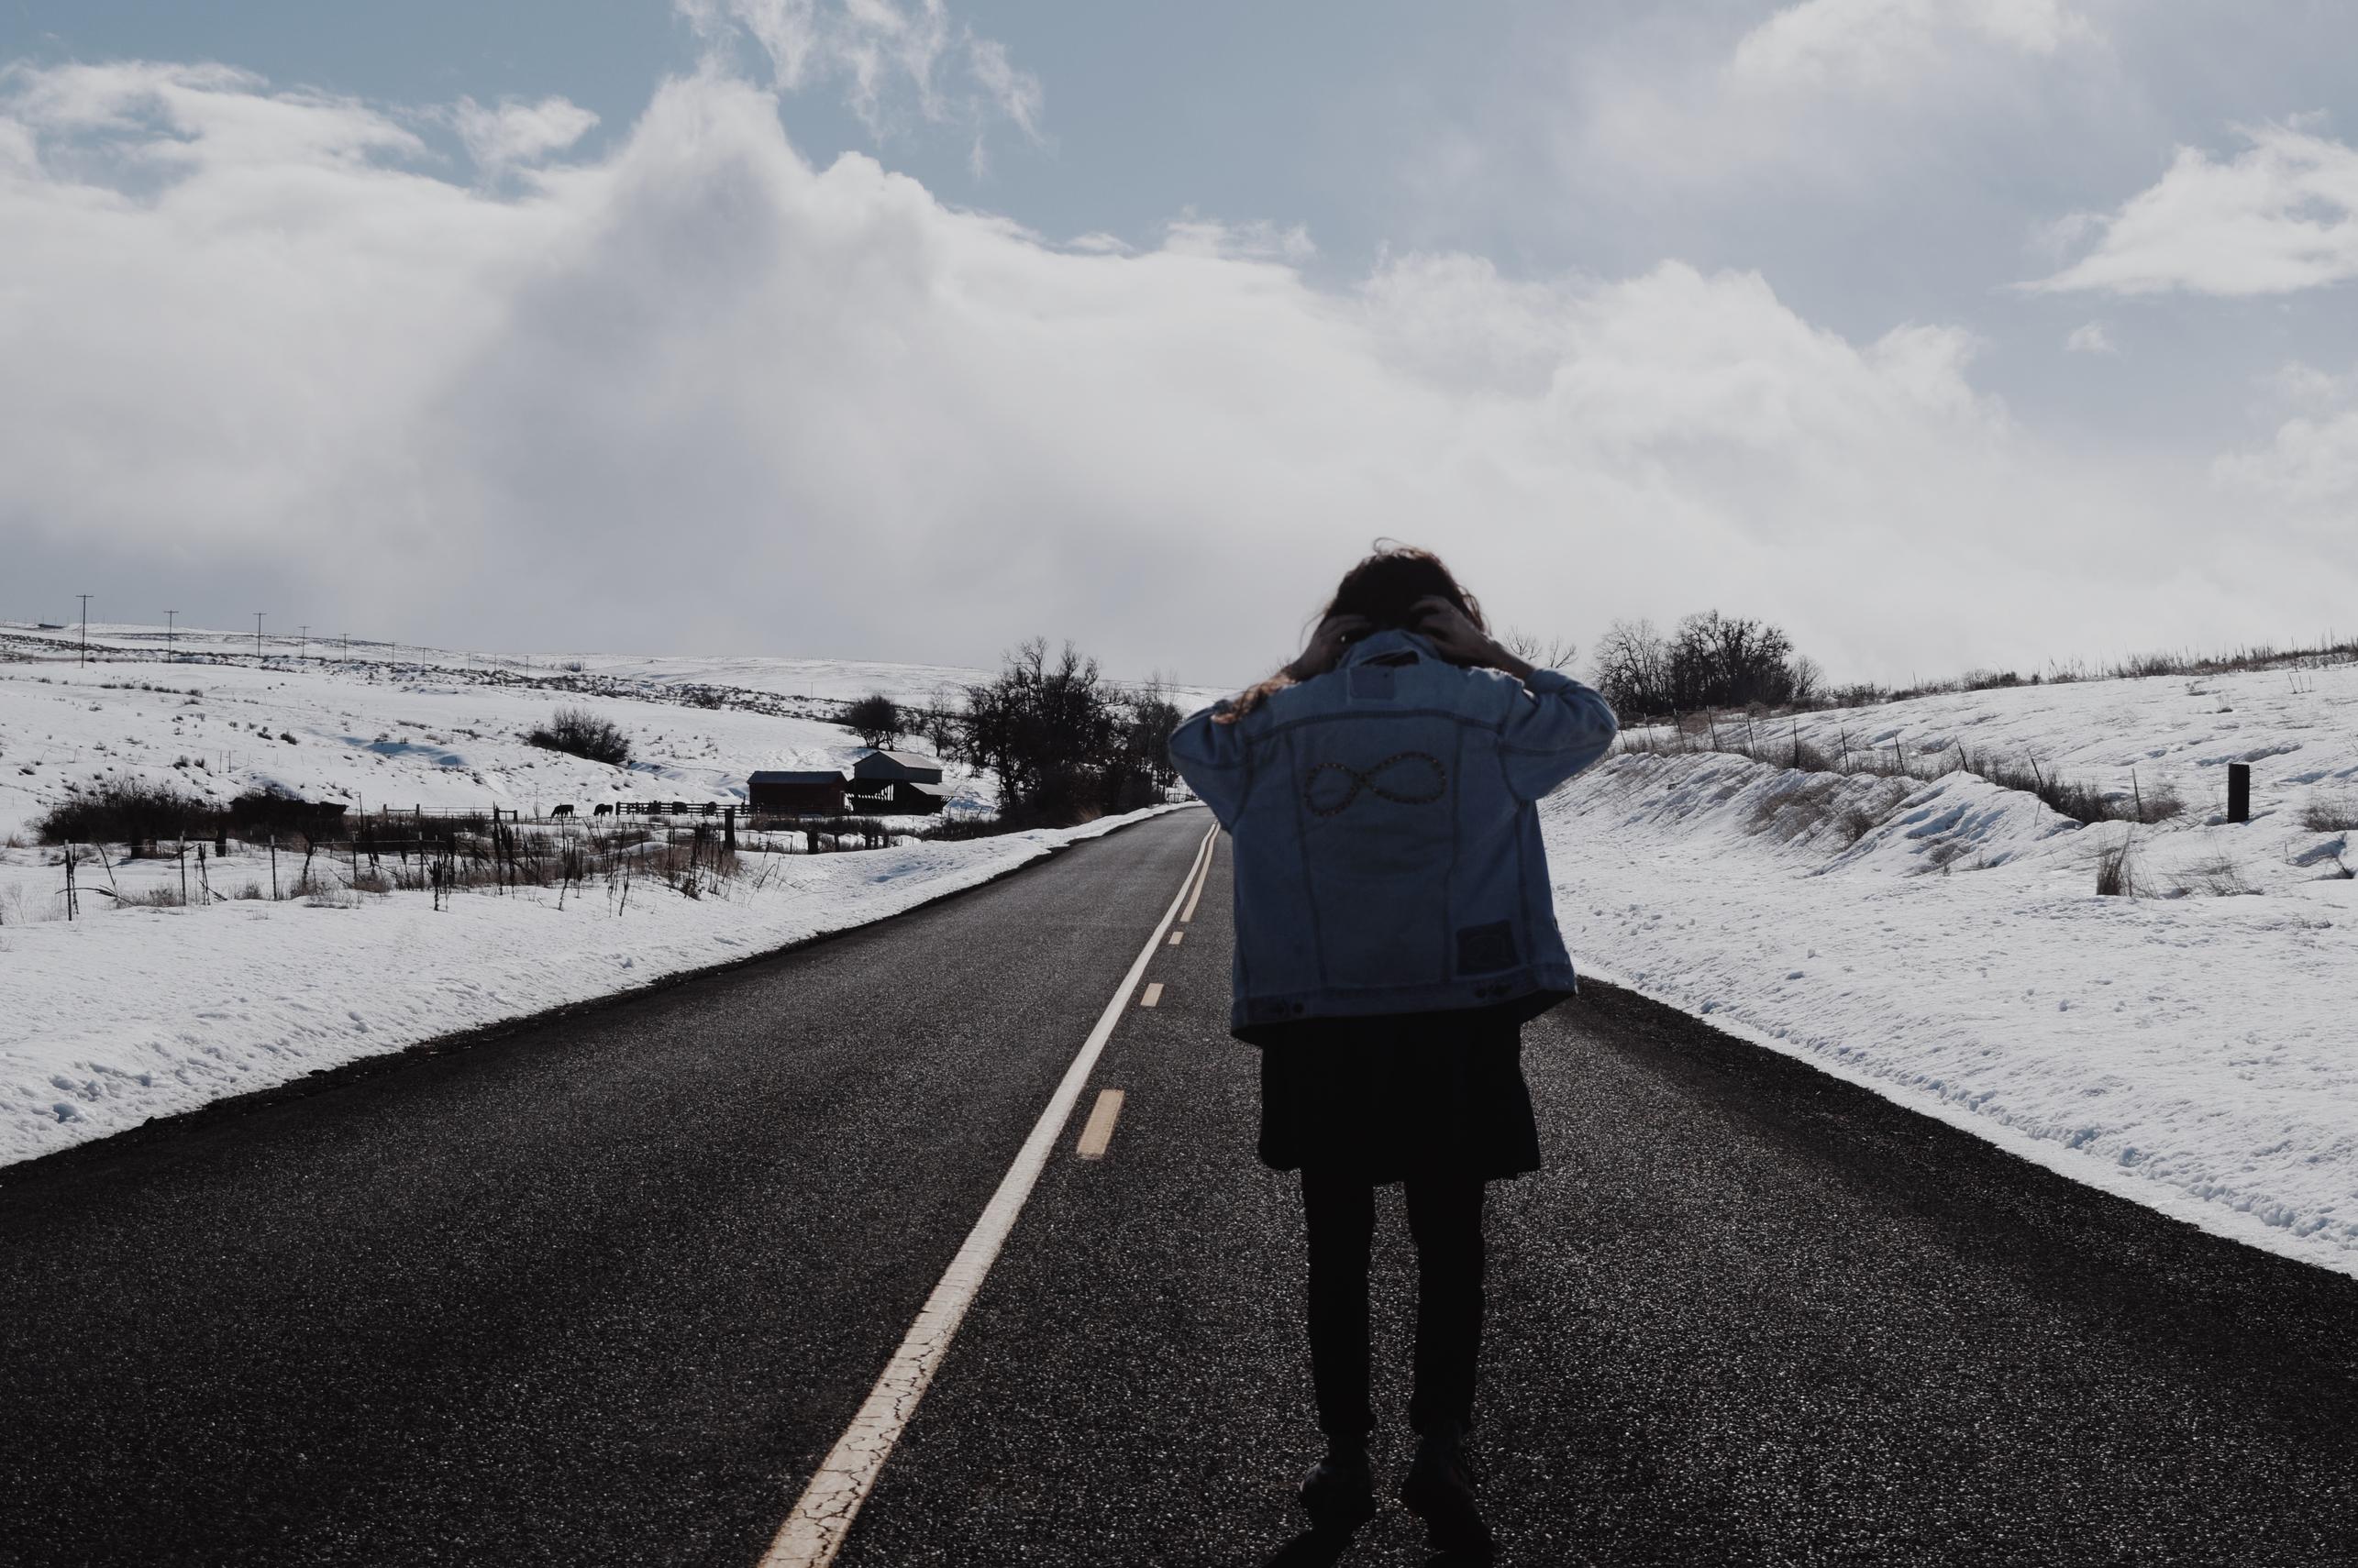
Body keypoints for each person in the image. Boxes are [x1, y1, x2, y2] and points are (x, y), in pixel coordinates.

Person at [1167, 544, 1617, 1558]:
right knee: (1450, 1241)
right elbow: (1592, 723)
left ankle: (1343, 1457)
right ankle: (1443, 1446)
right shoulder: (1488, 709)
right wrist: (1497, 654)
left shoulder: (1275, 723)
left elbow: (1192, 744)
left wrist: (1298, 673)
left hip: (1321, 1021)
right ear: (1443, 618)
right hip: (1459, 1015)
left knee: (1338, 1247)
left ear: (1344, 625)